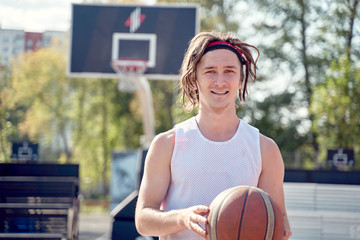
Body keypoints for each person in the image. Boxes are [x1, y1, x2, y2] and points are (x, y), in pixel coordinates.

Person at [135, 31, 292, 240]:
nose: (220, 81)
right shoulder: (167, 144)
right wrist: (182, 218)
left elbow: (278, 225)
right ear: (194, 79)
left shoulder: (264, 149)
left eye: (229, 71)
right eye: (210, 71)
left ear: (240, 79)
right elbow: (143, 220)